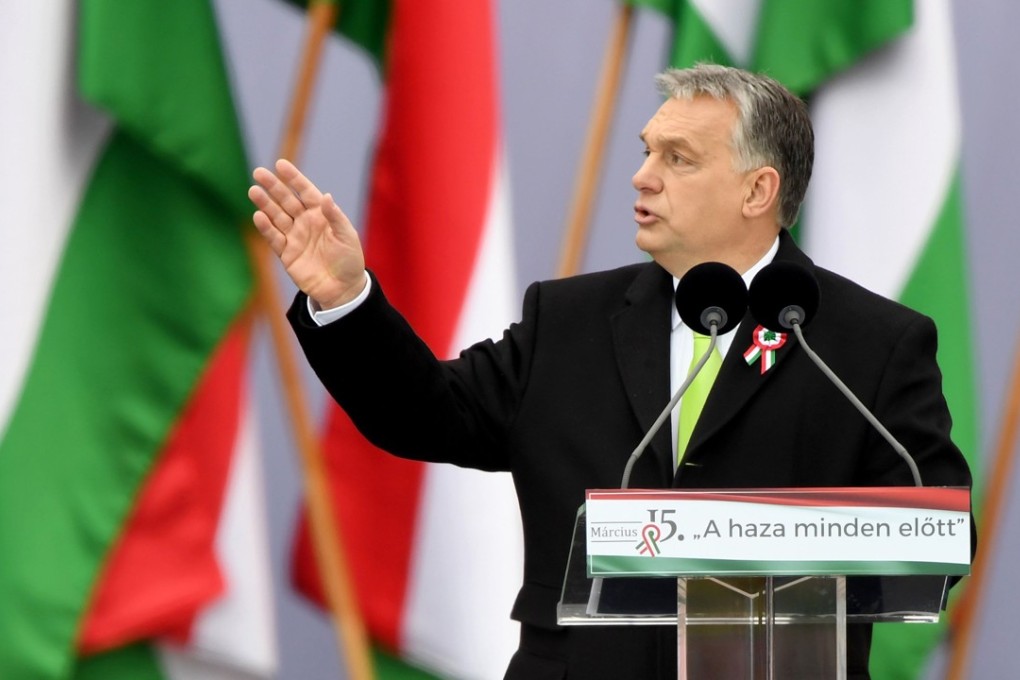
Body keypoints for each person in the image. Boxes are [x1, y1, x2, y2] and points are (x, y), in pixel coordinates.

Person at [249, 64, 973, 679]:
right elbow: (425, 413)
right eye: (646, 151)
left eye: (678, 159)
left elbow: (937, 536)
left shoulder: (868, 344)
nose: (643, 176)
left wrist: (722, 541)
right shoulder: (568, 322)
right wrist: (345, 299)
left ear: (758, 191)